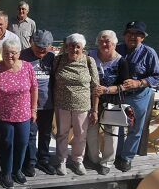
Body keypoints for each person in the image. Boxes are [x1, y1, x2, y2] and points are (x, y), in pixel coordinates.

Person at [0, 39, 38, 188]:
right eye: (6, 53)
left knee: (22, 143)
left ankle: (17, 170)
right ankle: (6, 172)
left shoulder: (27, 67)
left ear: (19, 54)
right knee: (7, 144)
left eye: (13, 53)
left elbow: (34, 89)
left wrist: (34, 109)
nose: (10, 56)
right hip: (4, 115)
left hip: (24, 114)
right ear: (2, 53)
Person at [116, 21, 159, 171]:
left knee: (135, 128)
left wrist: (139, 82)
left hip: (140, 96)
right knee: (118, 127)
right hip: (119, 95)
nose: (132, 37)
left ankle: (126, 158)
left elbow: (157, 76)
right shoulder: (117, 49)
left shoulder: (149, 53)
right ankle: (116, 155)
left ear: (143, 37)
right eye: (129, 33)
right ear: (124, 36)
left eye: (137, 34)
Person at [53, 33, 99, 176]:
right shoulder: (59, 60)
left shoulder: (89, 61)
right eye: (71, 46)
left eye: (77, 47)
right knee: (61, 134)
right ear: (67, 47)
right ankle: (61, 161)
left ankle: (78, 160)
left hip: (82, 105)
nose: (74, 49)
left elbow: (96, 87)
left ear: (82, 48)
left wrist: (95, 109)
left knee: (81, 135)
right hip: (62, 104)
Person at [86, 30, 129, 175]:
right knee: (91, 130)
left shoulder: (121, 61)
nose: (104, 44)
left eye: (107, 41)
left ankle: (107, 162)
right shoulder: (90, 55)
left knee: (111, 133)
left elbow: (125, 86)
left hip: (112, 101)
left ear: (115, 44)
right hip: (92, 100)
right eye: (101, 41)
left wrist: (107, 90)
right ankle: (93, 159)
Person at [20, 30, 56, 176]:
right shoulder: (23, 56)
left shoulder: (52, 58)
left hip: (47, 103)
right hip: (28, 104)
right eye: (38, 46)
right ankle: (30, 161)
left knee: (46, 133)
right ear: (32, 43)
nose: (41, 50)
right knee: (31, 133)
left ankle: (44, 159)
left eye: (44, 47)